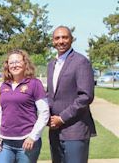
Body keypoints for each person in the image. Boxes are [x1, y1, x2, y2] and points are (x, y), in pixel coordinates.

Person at [47, 26, 96, 163]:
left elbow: (85, 96)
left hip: (75, 131)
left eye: (65, 37)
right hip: (55, 132)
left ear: (71, 39)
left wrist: (61, 118)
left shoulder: (81, 62)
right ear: (53, 41)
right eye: (57, 38)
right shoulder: (51, 65)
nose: (61, 41)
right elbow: (51, 95)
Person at [0, 49, 49, 163]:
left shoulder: (34, 83)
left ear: (25, 63)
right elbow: (2, 112)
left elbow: (44, 112)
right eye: (11, 63)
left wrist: (33, 136)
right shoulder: (4, 85)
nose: (14, 65)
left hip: (27, 142)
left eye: (17, 62)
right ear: (7, 66)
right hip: (6, 143)